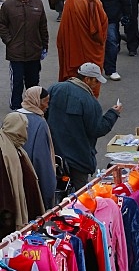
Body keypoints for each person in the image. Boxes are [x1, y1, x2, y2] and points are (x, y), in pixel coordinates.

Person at [48, 62, 122, 190]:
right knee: (80, 197)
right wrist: (113, 113)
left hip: (53, 154)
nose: (97, 84)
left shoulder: (55, 88)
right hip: (78, 159)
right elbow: (98, 129)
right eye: (96, 81)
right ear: (87, 79)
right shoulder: (90, 103)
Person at [0, 0, 49, 110]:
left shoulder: (37, 3)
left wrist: (44, 46)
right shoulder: (8, 6)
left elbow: (43, 26)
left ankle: (32, 106)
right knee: (17, 83)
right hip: (16, 53)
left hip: (34, 52)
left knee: (33, 82)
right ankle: (16, 107)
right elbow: (2, 25)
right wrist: (9, 41)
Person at [0, 112, 43, 235]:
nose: (26, 131)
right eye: (24, 127)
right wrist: (7, 218)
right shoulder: (4, 152)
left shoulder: (17, 148)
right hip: (8, 225)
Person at [56, 0, 107, 81]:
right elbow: (104, 22)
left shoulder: (71, 1)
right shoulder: (95, 0)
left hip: (74, 50)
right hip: (93, 49)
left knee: (76, 79)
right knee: (92, 79)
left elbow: (64, 28)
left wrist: (61, 43)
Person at [18, 87, 57, 209]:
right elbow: (42, 160)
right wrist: (49, 188)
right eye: (45, 101)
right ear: (36, 101)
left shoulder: (13, 116)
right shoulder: (39, 123)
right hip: (32, 180)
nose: (47, 106)